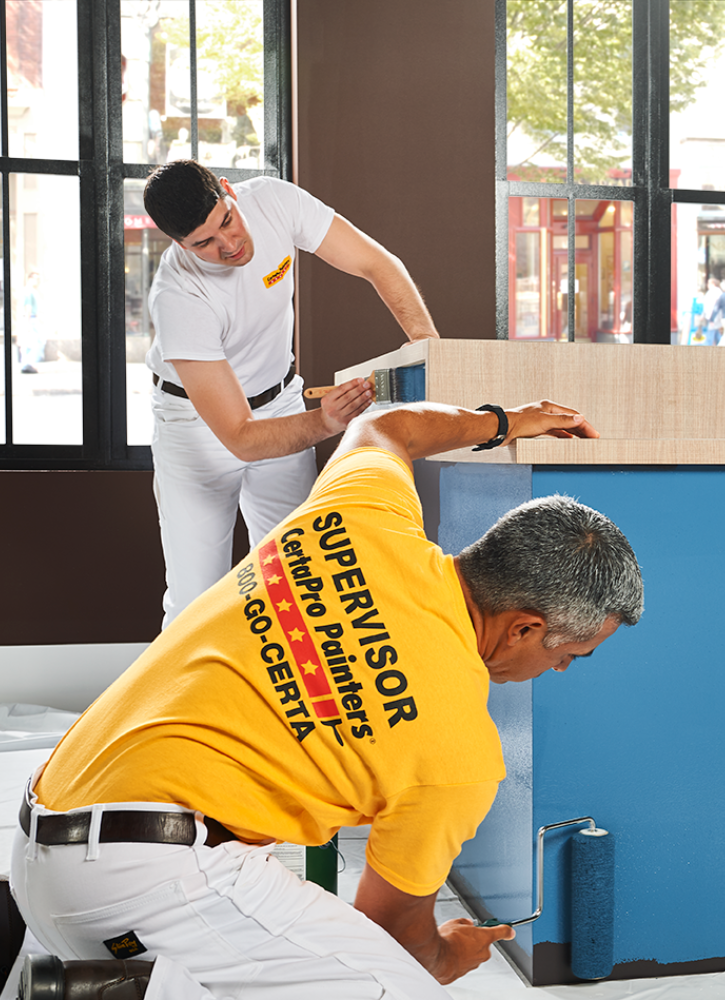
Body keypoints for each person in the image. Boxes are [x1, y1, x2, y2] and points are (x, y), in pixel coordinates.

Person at [11, 398, 644, 1000]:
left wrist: (504, 420)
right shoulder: (460, 755)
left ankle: (125, 980)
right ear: (525, 627)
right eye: (567, 655)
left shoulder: (361, 512)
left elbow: (387, 426)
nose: (556, 667)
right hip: (138, 887)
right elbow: (391, 933)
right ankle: (143, 990)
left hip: (40, 848)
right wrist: (445, 955)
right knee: (396, 987)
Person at [142, 160, 440, 628]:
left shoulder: (273, 201)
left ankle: (288, 699)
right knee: (195, 604)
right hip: (198, 428)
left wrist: (429, 350)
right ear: (178, 244)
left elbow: (377, 263)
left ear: (228, 190)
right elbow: (241, 437)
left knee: (299, 580)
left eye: (226, 220)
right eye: (204, 243)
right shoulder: (178, 296)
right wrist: (325, 422)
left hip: (279, 398)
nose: (229, 244)